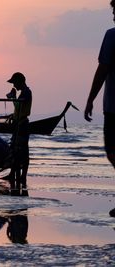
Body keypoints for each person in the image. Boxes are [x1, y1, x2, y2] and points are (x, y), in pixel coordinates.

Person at [84, 1, 115, 217]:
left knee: (113, 152)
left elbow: (102, 69)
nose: (113, 14)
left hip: (113, 107)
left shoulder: (112, 35)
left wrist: (90, 99)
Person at [6, 72, 32, 195]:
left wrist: (13, 98)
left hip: (22, 125)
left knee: (22, 150)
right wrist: (13, 115)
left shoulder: (26, 92)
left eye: (15, 83)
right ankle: (13, 174)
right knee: (15, 149)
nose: (14, 85)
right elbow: (19, 108)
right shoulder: (24, 92)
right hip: (18, 123)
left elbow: (20, 105)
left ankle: (22, 175)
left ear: (20, 82)